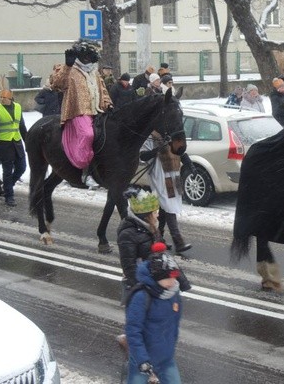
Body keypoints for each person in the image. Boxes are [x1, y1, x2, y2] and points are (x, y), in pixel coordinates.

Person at [50, 40, 112, 187]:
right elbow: (57, 85)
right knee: (88, 134)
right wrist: (67, 66)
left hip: (97, 111)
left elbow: (103, 90)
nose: (88, 58)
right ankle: (86, 171)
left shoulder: (95, 72)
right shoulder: (69, 69)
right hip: (78, 112)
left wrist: (109, 104)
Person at [117, 189, 191, 303]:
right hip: (138, 288)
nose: (157, 214)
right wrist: (148, 287)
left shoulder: (153, 229)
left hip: (155, 283)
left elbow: (165, 257)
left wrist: (182, 281)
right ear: (146, 216)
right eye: (155, 212)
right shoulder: (127, 234)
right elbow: (129, 268)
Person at [125, 243, 183, 384]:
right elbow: (133, 331)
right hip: (143, 360)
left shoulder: (173, 295)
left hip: (166, 359)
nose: (173, 282)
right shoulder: (142, 297)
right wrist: (142, 359)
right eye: (168, 278)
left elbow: (173, 325)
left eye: (174, 277)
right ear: (156, 278)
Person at [140, 132, 194, 253]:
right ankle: (178, 241)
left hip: (174, 173)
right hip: (160, 174)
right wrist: (157, 150)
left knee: (165, 206)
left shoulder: (171, 133)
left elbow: (181, 151)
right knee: (168, 205)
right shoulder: (151, 136)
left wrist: (189, 164)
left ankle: (158, 238)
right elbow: (143, 156)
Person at [0, 88, 27, 207]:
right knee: (7, 171)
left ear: (10, 98)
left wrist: (27, 141)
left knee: (22, 167)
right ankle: (9, 196)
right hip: (4, 143)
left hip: (16, 142)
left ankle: (7, 187)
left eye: (4, 97)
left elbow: (21, 126)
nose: (2, 99)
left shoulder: (17, 107)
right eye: (1, 97)